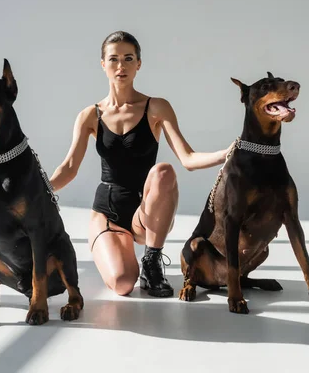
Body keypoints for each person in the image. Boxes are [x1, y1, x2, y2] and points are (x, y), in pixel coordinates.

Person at [49, 31, 230, 298]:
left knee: (163, 171)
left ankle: (152, 261)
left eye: (128, 58)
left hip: (146, 212)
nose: (121, 66)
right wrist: (40, 188)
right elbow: (68, 168)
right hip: (108, 213)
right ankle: (121, 255)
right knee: (123, 284)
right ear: (103, 65)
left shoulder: (156, 107)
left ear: (138, 64)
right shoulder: (90, 115)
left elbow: (187, 159)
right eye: (113, 59)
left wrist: (227, 153)